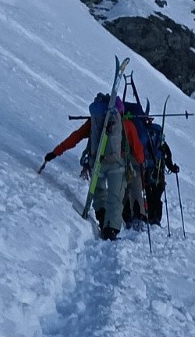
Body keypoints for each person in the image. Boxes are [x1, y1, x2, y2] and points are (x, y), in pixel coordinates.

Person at [40, 93, 145, 240]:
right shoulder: (126, 124)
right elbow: (139, 154)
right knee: (115, 198)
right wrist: (140, 162)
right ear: (120, 111)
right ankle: (111, 230)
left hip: (97, 163)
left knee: (99, 193)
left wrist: (55, 152)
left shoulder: (95, 123)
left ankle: (103, 221)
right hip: (117, 165)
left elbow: (74, 138)